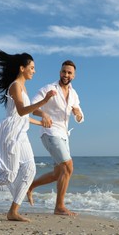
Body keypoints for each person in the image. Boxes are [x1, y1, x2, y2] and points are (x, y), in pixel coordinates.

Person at [0, 47, 56, 222]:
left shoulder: (24, 88)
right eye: (32, 68)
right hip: (11, 133)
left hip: (22, 132)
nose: (34, 71)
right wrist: (44, 102)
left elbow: (23, 117)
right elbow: (21, 112)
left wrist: (41, 121)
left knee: (30, 169)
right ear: (22, 68)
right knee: (8, 174)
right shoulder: (15, 86)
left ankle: (13, 211)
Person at [27, 60, 84, 216]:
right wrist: (44, 113)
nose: (66, 75)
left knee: (58, 173)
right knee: (68, 167)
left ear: (74, 75)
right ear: (60, 72)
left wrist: (78, 114)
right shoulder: (48, 88)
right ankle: (59, 207)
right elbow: (33, 106)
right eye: (64, 71)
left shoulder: (73, 93)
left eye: (69, 72)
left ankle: (30, 186)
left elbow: (78, 110)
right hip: (50, 133)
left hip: (64, 135)